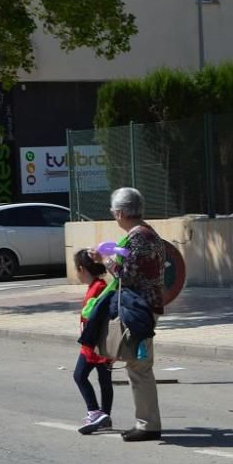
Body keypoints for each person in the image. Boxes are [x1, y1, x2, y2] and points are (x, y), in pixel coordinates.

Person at [104, 187, 166, 442]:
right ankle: (147, 421)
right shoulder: (147, 234)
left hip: (140, 310)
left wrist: (108, 263)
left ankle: (148, 424)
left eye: (113, 212)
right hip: (147, 307)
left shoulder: (139, 237)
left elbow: (127, 276)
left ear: (120, 212)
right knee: (138, 365)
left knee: (139, 367)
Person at [73, 249, 114, 435]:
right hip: (99, 342)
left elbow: (97, 316)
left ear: (82, 269)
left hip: (94, 344)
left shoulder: (98, 288)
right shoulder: (98, 285)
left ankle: (94, 411)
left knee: (79, 375)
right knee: (104, 380)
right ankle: (105, 416)